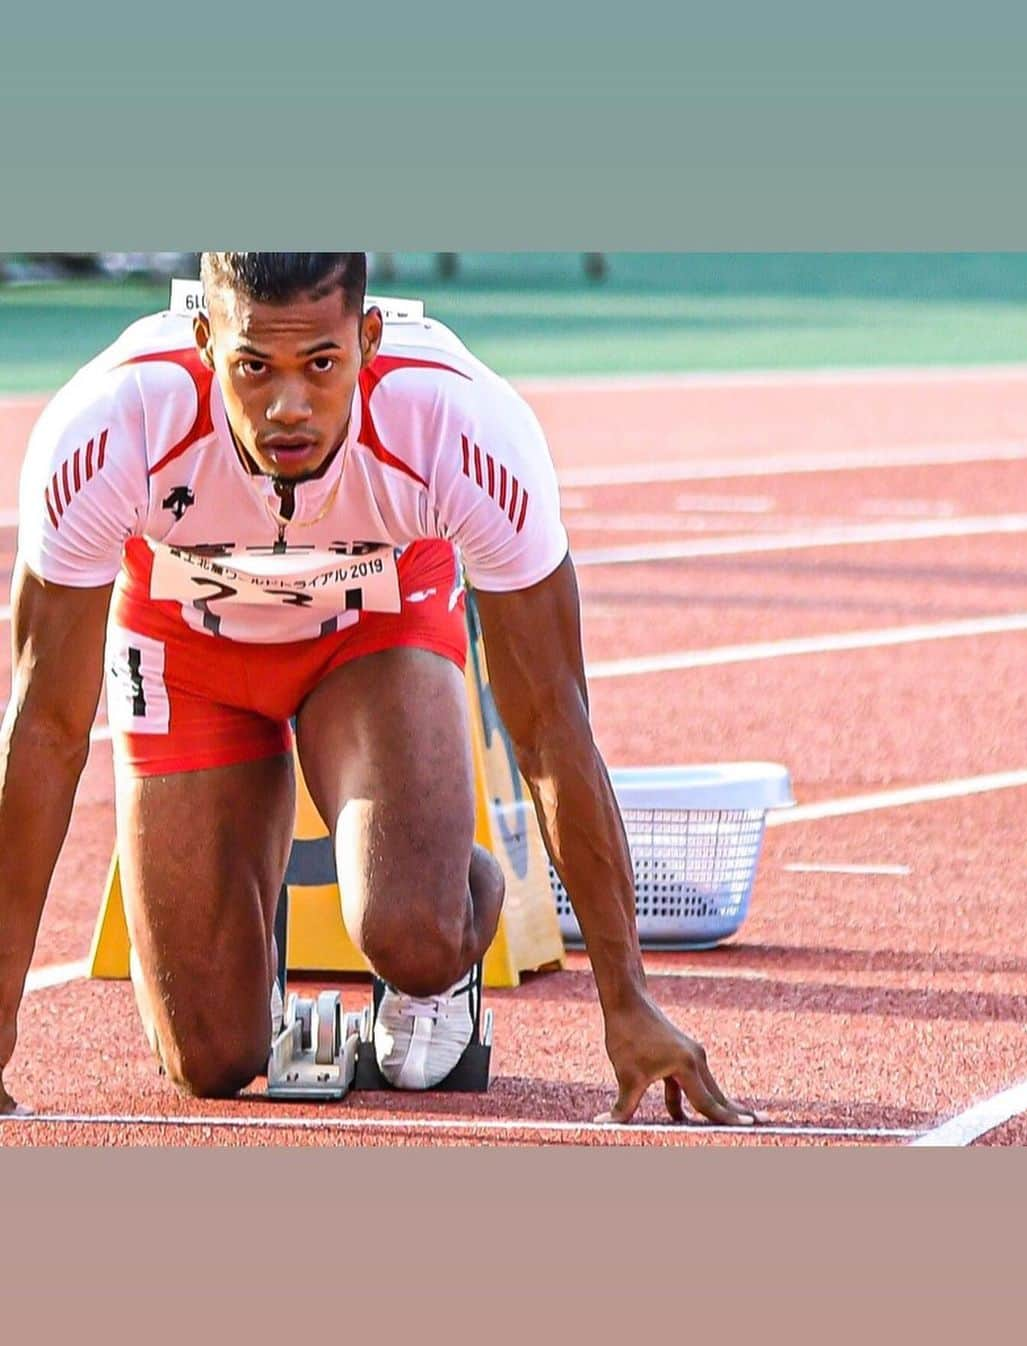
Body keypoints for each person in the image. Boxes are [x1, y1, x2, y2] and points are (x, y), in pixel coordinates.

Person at [0, 252, 758, 1126]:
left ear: (367, 338)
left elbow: (553, 725)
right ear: (206, 343)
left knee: (414, 932)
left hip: (373, 633)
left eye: (321, 365)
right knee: (209, 1060)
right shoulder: (109, 428)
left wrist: (627, 1003)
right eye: (254, 368)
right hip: (185, 647)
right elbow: (45, 734)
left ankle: (440, 926)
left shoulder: (458, 427)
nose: (289, 407)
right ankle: (250, 942)